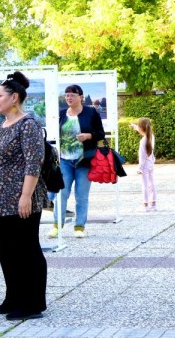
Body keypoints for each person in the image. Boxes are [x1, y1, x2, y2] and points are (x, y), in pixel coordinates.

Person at [0, 71, 48, 321]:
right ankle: (13, 297)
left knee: (27, 249)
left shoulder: (28, 125)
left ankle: (32, 303)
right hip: (0, 200)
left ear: (15, 97)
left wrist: (26, 196)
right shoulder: (0, 125)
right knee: (6, 250)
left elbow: (34, 163)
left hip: (21, 200)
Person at [46, 85, 105, 239]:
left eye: (72, 95)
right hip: (65, 160)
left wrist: (89, 136)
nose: (69, 98)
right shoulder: (61, 114)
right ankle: (57, 226)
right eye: (67, 95)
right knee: (61, 193)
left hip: (84, 160)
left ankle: (79, 226)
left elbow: (101, 134)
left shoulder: (91, 112)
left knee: (81, 195)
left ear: (81, 97)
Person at [130, 118, 156, 211]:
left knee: (144, 185)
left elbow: (142, 157)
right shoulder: (151, 137)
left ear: (141, 128)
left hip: (144, 166)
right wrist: (135, 127)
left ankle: (145, 205)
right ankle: (153, 204)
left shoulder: (143, 141)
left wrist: (139, 168)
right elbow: (144, 131)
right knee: (152, 184)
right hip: (151, 164)